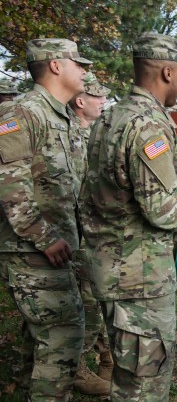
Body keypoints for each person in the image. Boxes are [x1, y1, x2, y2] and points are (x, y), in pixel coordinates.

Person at [80, 32, 177, 401]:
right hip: (139, 280)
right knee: (143, 386)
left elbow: (118, 189)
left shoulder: (110, 117)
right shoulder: (148, 124)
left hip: (111, 269)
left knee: (128, 374)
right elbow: (161, 210)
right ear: (167, 72)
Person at [0, 38, 91, 400]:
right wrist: (43, 237)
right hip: (32, 251)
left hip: (55, 250)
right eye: (78, 63)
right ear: (56, 65)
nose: (84, 70)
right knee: (63, 339)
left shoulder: (62, 114)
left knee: (40, 342)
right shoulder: (22, 112)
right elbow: (9, 184)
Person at [68, 71, 112, 395]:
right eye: (99, 96)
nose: (104, 101)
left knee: (98, 297)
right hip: (72, 235)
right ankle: (78, 369)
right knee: (85, 302)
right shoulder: (67, 135)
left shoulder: (95, 134)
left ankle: (106, 356)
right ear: (81, 101)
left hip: (93, 232)